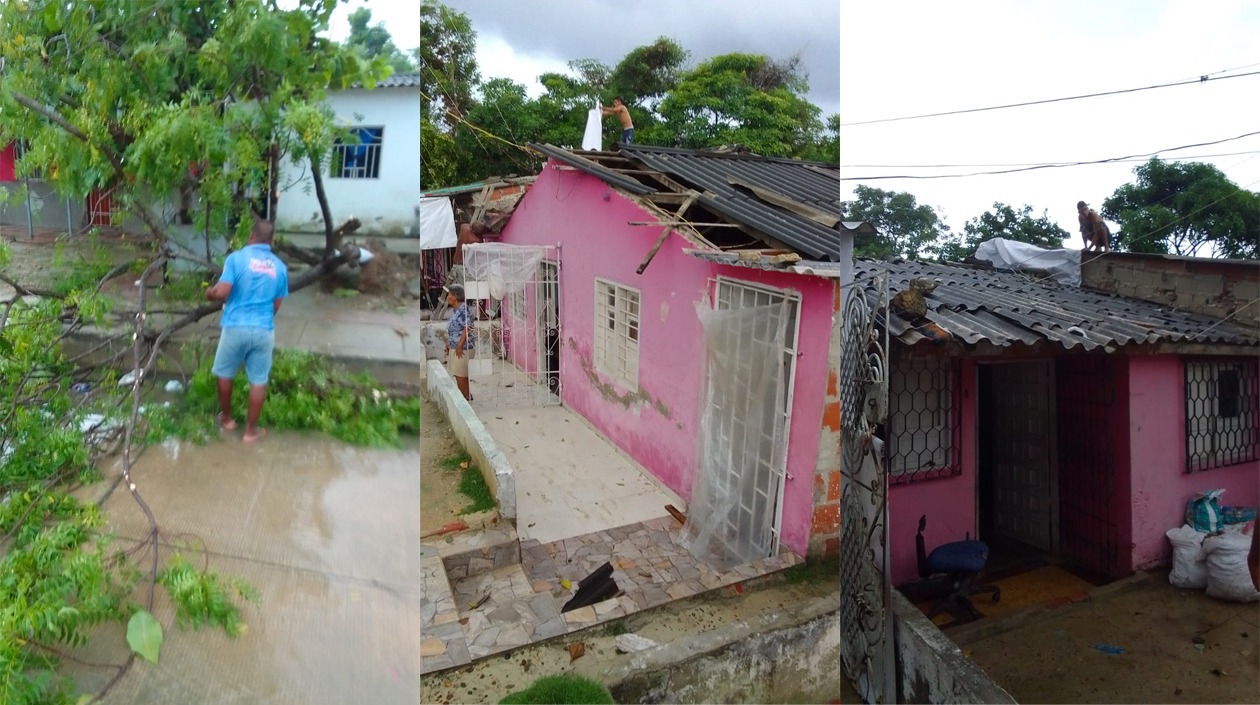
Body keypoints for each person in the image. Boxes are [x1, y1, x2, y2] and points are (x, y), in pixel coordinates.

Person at [204, 218, 289, 443]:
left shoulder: (237, 259)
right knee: (258, 380)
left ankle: (228, 420)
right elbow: (276, 305)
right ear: (271, 241)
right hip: (264, 330)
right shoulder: (280, 267)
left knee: (224, 372)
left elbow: (222, 291)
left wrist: (210, 293)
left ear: (251, 236)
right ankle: (250, 432)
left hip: (235, 327)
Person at [443, 284, 475, 401]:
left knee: (461, 374)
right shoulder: (457, 310)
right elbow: (455, 329)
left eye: (449, 295)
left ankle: (464, 399)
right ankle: (467, 396)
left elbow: (467, 328)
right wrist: (449, 344)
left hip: (463, 348)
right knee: (460, 374)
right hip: (456, 346)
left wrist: (460, 345)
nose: (447, 297)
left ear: (455, 297)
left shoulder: (464, 310)